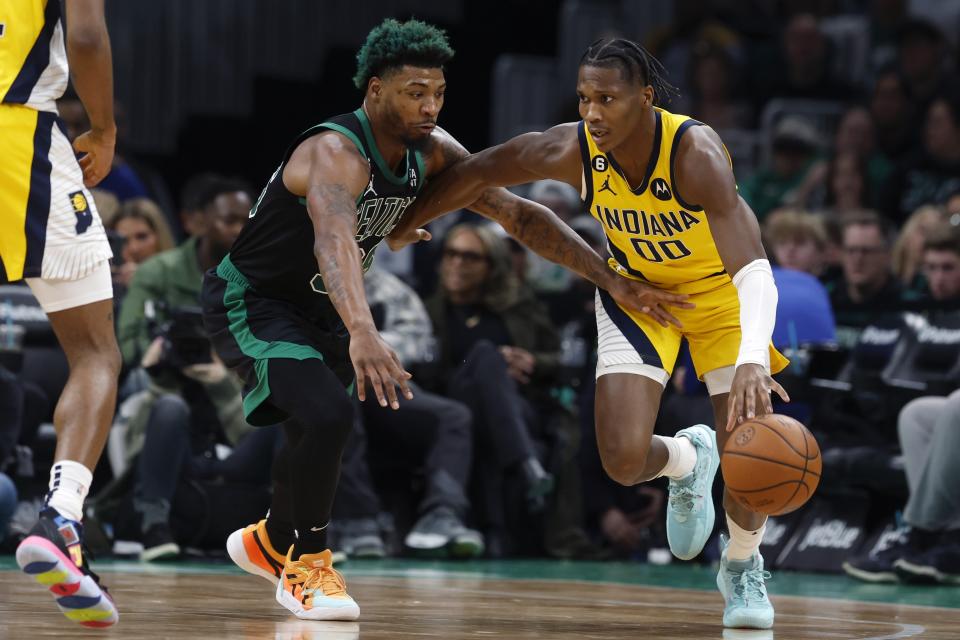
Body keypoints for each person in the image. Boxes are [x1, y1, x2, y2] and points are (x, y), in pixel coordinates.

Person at [201, 20, 663, 622]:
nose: (430, 105)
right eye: (415, 91)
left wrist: (611, 278)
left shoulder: (434, 149)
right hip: (255, 301)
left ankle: (271, 540)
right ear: (374, 90)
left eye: (439, 92)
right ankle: (307, 565)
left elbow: (518, 216)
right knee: (329, 413)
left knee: (309, 428)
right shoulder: (335, 151)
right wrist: (365, 331)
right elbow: (334, 239)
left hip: (322, 308)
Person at [390, 37, 790, 630]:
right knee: (623, 460)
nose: (593, 113)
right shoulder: (571, 149)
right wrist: (406, 224)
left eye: (608, 98)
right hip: (640, 296)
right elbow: (475, 172)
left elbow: (755, 269)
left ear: (646, 99)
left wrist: (754, 357)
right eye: (584, 98)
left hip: (724, 301)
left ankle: (741, 563)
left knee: (751, 454)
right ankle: (686, 459)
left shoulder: (694, 151)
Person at [1, 0, 120, 627]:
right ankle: (62, 519)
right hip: (14, 141)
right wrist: (102, 127)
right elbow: (86, 34)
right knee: (95, 351)